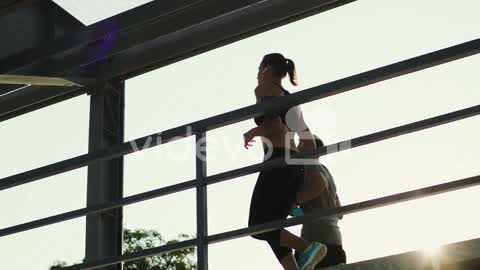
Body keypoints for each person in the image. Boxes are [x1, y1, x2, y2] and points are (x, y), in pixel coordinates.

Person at [243, 53, 327, 270]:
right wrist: (300, 174)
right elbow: (308, 141)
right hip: (293, 166)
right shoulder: (290, 99)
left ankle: (307, 247)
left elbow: (275, 125)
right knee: (273, 226)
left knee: (257, 226)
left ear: (267, 68)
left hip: (277, 161)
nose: (257, 74)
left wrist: (254, 130)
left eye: (259, 68)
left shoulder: (263, 90)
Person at [294, 135, 347, 268]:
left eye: (300, 144)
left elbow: (319, 184)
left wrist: (294, 206)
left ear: (310, 148)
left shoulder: (307, 167)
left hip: (314, 241)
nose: (297, 147)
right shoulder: (327, 172)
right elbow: (340, 213)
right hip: (335, 241)